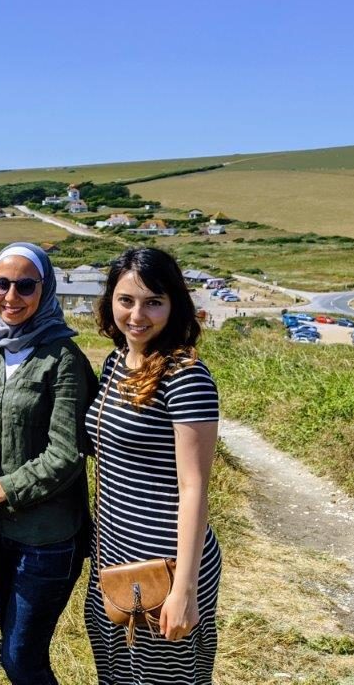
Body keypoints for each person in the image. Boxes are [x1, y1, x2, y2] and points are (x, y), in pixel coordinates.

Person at [0, 242, 96, 685]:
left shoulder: (63, 358)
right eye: (1, 284)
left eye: (25, 286)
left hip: (46, 538)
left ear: (44, 290)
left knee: (21, 659)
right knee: (15, 646)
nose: (11, 296)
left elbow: (67, 453)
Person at [84, 247, 222, 684]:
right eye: (126, 301)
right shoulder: (115, 363)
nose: (137, 315)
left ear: (173, 305)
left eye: (153, 302)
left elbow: (194, 488)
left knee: (164, 677)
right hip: (113, 555)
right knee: (116, 674)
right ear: (110, 303)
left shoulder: (186, 376)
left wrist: (184, 588)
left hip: (165, 561)